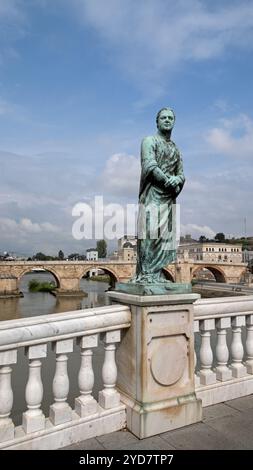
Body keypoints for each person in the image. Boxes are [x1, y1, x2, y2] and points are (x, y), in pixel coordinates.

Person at [134, 107, 185, 284]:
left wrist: (177, 180)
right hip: (152, 196)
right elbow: (149, 165)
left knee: (164, 237)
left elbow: (182, 174)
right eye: (163, 117)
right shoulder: (149, 141)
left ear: (174, 122)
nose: (167, 120)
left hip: (168, 199)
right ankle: (146, 274)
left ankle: (155, 273)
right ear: (157, 121)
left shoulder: (176, 149)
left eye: (171, 118)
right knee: (149, 233)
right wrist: (167, 181)